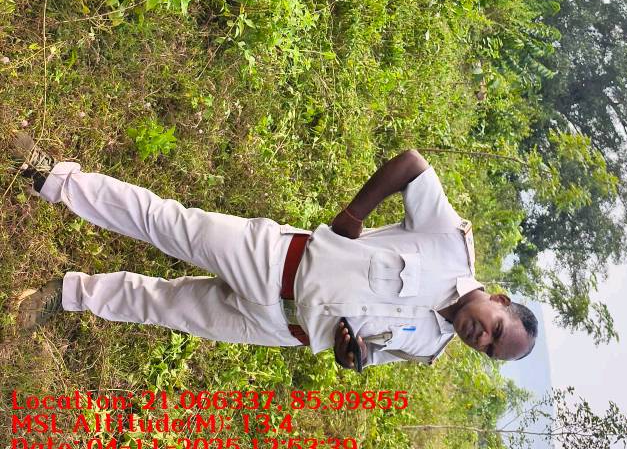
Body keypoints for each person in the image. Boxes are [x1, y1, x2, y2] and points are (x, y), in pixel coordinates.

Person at [12, 134, 537, 369]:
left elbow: (365, 355)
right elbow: (413, 165)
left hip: (278, 327)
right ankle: (50, 177)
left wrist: (350, 357)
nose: (482, 338)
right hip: (272, 258)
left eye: (489, 350)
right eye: (496, 329)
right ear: (499, 300)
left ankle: (67, 294)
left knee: (163, 307)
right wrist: (353, 215)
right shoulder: (450, 245)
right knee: (164, 223)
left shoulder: (428, 348)